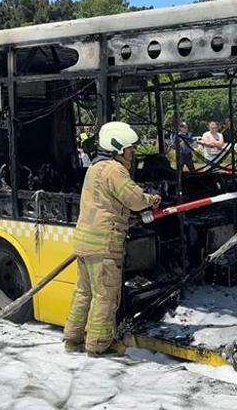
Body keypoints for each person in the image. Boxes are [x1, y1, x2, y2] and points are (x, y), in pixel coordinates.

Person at [63, 122, 161, 357]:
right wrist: (153, 198)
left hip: (85, 242)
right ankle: (98, 345)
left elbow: (106, 203)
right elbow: (134, 199)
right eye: (129, 149)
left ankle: (72, 339)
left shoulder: (95, 168)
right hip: (104, 245)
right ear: (117, 148)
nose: (132, 153)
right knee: (105, 296)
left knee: (83, 293)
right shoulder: (114, 170)